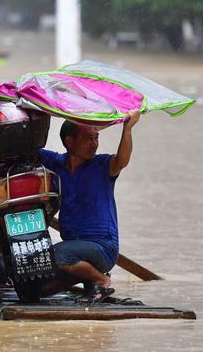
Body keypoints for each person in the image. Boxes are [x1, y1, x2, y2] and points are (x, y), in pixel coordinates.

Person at [38, 110, 141, 300]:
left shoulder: (101, 165)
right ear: (69, 142)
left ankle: (100, 279)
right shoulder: (56, 163)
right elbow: (29, 150)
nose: (94, 144)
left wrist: (127, 129)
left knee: (54, 254)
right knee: (38, 289)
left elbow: (122, 160)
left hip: (102, 248)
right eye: (88, 138)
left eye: (96, 138)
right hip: (74, 248)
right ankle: (90, 279)